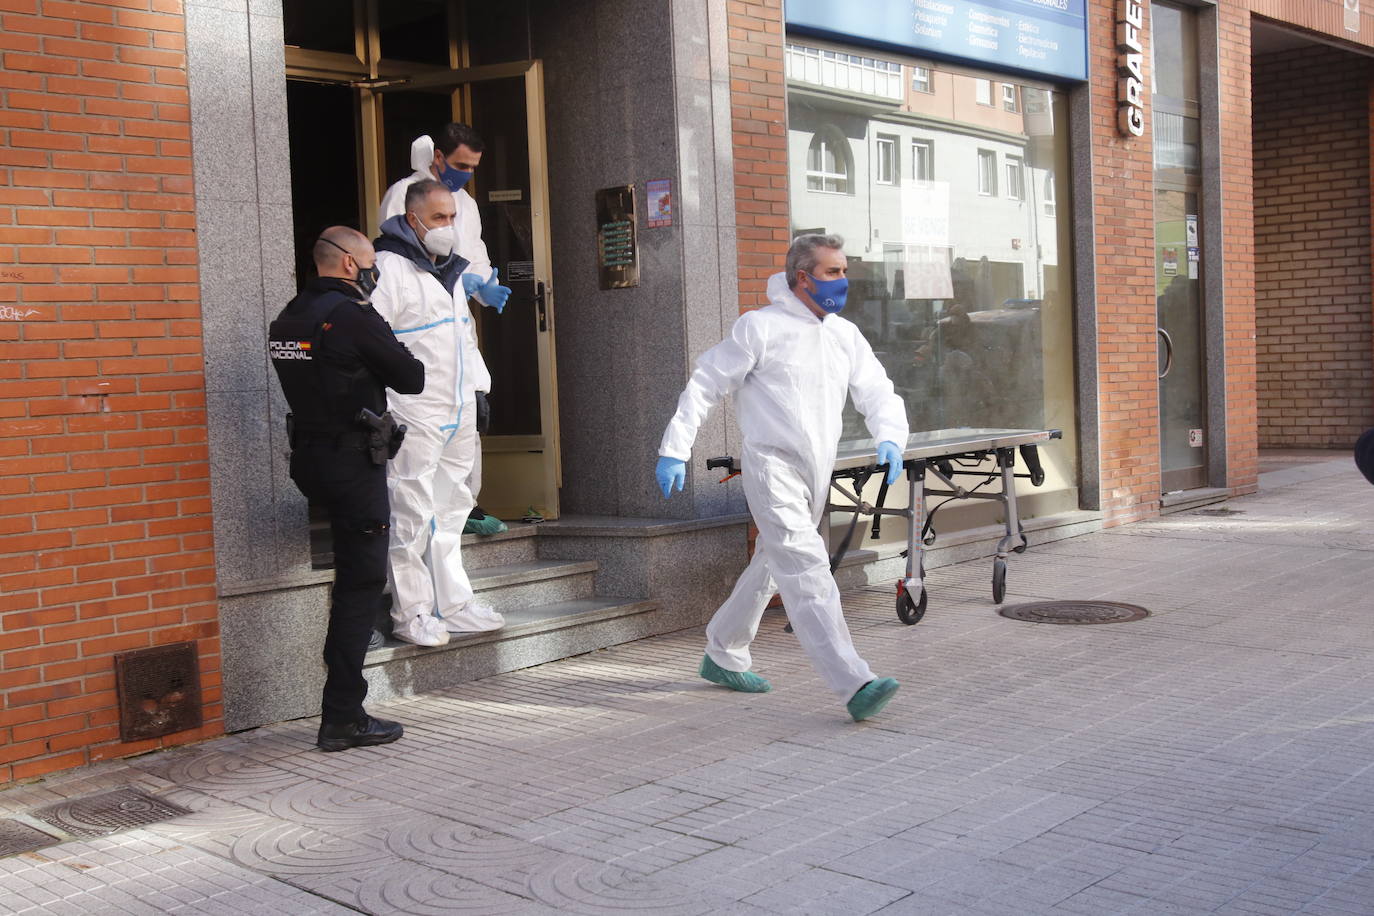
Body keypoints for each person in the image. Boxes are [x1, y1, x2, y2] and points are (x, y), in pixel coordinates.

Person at [656, 234, 910, 722]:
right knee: (806, 566)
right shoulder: (761, 328)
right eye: (833, 271)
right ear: (803, 276)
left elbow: (878, 390)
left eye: (844, 270)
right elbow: (705, 384)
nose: (843, 280)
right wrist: (674, 449)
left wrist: (891, 436)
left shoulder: (844, 335)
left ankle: (723, 651)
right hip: (771, 468)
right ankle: (854, 681)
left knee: (773, 562)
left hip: (815, 469)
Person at [269, 226, 424, 751]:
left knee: (349, 580)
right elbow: (411, 376)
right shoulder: (353, 317)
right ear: (351, 266)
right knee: (359, 587)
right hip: (354, 465)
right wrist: (378, 324)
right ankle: (343, 715)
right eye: (370, 263)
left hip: (311, 461)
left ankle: (343, 706)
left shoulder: (289, 317)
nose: (375, 272)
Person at [371, 180, 505, 645]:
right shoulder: (389, 270)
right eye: (438, 218)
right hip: (414, 411)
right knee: (409, 509)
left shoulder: (448, 271)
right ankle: (411, 612)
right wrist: (385, 408)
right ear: (413, 219)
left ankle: (453, 603)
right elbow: (374, 342)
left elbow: (461, 337)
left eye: (452, 217)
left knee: (452, 507)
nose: (448, 226)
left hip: (456, 406)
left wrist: (478, 388)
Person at [379, 123, 510, 538]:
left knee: (467, 414)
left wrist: (486, 288)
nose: (465, 174)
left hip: (456, 324)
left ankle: (464, 505)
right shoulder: (406, 194)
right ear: (437, 156)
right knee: (420, 440)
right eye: (459, 165)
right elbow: (402, 250)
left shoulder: (467, 206)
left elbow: (474, 255)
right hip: (419, 328)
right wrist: (454, 280)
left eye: (472, 167)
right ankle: (423, 515)